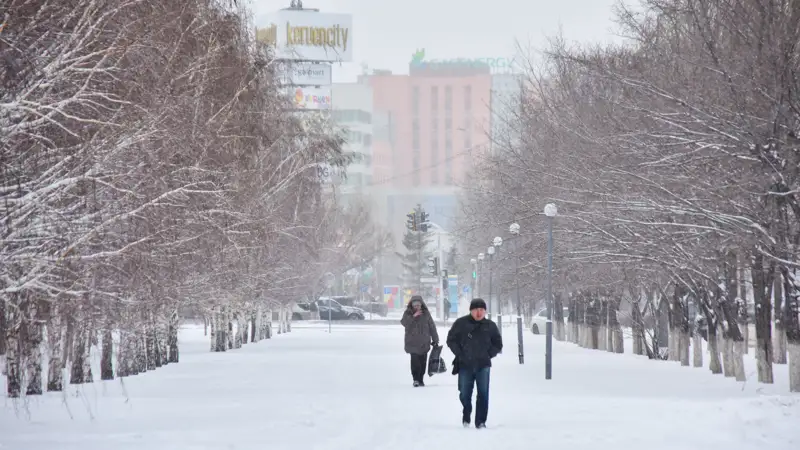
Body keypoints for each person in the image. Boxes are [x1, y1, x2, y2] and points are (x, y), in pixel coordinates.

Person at [446, 298, 502, 429]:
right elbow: (451, 339)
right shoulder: (461, 324)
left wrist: (489, 354)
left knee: (483, 393)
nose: (479, 313)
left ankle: (480, 421)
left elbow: (498, 344)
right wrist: (459, 353)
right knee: (465, 393)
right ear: (471, 310)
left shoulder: (490, 326)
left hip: (483, 365)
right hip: (465, 364)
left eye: (481, 310)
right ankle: (467, 411)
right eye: (476, 310)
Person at [401, 295, 439, 387]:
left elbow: (432, 327)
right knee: (415, 362)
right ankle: (415, 379)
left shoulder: (426, 313)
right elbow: (404, 323)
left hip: (424, 343)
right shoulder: (408, 313)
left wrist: (435, 339)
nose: (417, 307)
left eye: (418, 305)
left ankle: (421, 379)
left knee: (422, 363)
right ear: (411, 305)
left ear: (421, 305)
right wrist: (413, 316)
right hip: (412, 343)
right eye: (415, 305)